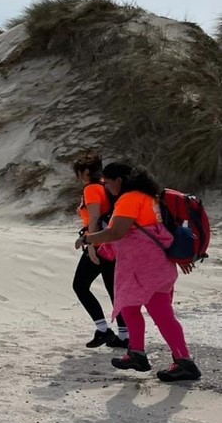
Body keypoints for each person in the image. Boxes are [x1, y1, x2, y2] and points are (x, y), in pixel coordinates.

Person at [82, 163, 201, 382]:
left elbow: (116, 232)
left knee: (161, 314)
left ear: (119, 180)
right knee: (129, 307)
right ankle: (136, 353)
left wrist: (87, 239)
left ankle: (185, 362)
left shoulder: (130, 199)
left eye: (108, 182)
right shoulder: (149, 197)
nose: (107, 187)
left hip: (145, 269)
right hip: (153, 266)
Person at [71, 151, 129, 349]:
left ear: (86, 172)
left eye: (79, 172)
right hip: (112, 242)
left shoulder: (92, 189)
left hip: (99, 242)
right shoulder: (106, 185)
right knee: (113, 289)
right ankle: (124, 335)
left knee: (80, 285)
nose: (77, 177)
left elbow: (94, 218)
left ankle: (103, 329)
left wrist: (92, 246)